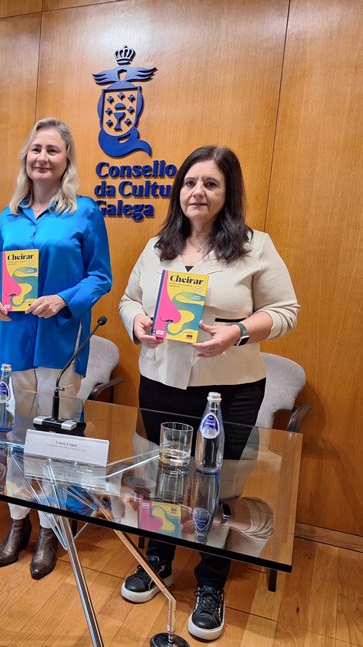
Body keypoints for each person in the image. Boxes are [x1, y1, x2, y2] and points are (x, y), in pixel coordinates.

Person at [118, 145, 299, 641]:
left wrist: (237, 331)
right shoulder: (159, 245)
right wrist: (136, 321)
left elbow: (285, 310)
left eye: (211, 184)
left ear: (227, 192)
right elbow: (129, 297)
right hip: (161, 381)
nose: (198, 191)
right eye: (190, 182)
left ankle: (211, 582)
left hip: (230, 390)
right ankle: (157, 559)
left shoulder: (254, 246)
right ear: (179, 190)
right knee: (162, 478)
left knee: (217, 487)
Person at [0, 117, 112, 579]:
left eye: (52, 150)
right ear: (26, 157)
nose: (42, 157)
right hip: (13, 342)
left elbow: (100, 276)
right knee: (15, 437)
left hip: (61, 344)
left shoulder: (84, 212)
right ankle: (17, 523)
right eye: (35, 149)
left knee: (54, 439)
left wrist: (63, 299)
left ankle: (50, 529)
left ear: (66, 161)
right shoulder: (9, 214)